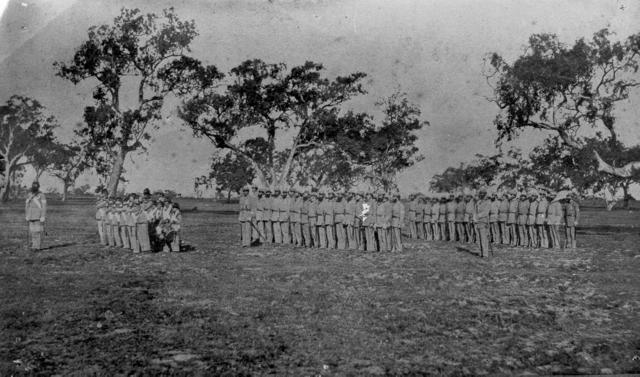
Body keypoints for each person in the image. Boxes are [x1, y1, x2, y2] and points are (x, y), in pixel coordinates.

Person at [25, 181, 47, 251]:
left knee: (37, 231)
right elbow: (27, 205)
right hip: (31, 215)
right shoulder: (29, 194)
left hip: (38, 215)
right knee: (32, 231)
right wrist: (27, 215)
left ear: (38, 187)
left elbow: (44, 206)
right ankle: (33, 245)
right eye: (33, 186)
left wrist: (43, 216)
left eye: (36, 186)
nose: (34, 187)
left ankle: (37, 246)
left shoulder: (42, 195)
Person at [475, 188, 492, 257]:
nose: (481, 195)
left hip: (484, 221)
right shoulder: (478, 202)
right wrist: (474, 218)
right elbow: (475, 211)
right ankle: (480, 253)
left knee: (484, 238)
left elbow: (486, 212)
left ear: (485, 195)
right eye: (480, 193)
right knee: (478, 238)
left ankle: (485, 254)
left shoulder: (488, 202)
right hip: (477, 222)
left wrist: (478, 216)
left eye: (483, 194)